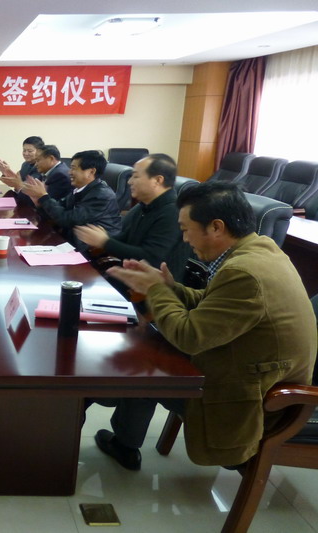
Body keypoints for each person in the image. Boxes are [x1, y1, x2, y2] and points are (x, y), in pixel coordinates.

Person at [93, 181, 316, 471]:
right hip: (253, 372)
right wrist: (169, 287)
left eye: (186, 230)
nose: (185, 239)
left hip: (255, 402)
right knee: (150, 356)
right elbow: (214, 302)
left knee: (148, 369)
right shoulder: (261, 250)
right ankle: (124, 442)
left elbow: (189, 337)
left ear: (216, 227)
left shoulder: (244, 272)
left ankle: (122, 442)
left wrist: (155, 291)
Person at [74, 153, 182, 278]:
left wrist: (104, 242)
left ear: (157, 180)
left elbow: (150, 258)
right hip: (130, 276)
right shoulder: (142, 206)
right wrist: (98, 239)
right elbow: (124, 238)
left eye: (135, 176)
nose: (130, 182)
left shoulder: (173, 212)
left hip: (154, 285)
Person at [21, 149, 121, 250]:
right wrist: (38, 202)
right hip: (71, 242)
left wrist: (43, 197)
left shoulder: (101, 196)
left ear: (91, 171)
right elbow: (58, 211)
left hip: (91, 250)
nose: (69, 172)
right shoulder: (80, 189)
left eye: (73, 168)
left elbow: (67, 219)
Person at [1, 144, 73, 203]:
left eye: (38, 160)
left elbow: (40, 202)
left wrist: (19, 186)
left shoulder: (59, 175)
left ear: (51, 158)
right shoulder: (48, 171)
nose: (35, 165)